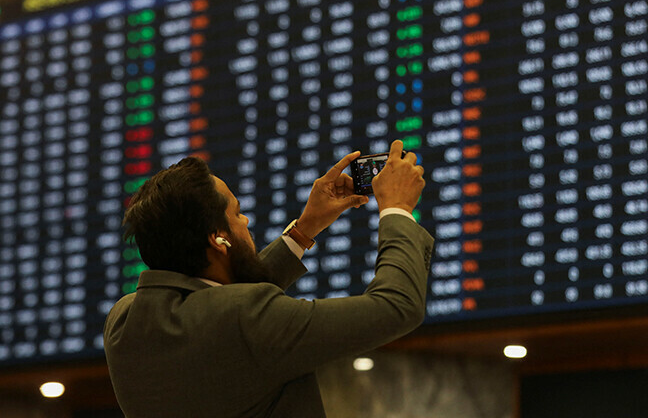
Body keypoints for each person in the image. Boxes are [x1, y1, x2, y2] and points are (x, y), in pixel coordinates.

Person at [103, 140, 433, 417]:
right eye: (237, 213)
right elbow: (396, 306)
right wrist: (397, 209)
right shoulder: (246, 319)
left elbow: (216, 308)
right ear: (219, 239)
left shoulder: (123, 321)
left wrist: (304, 229)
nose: (245, 221)